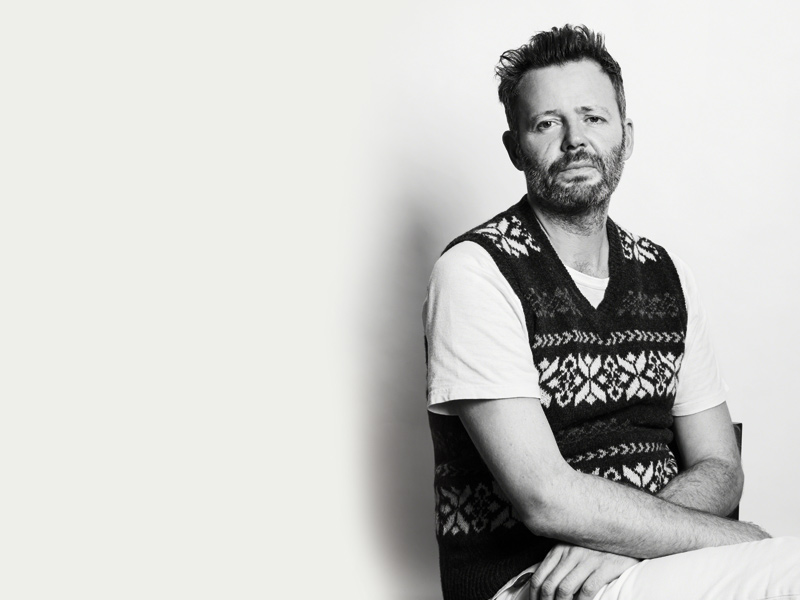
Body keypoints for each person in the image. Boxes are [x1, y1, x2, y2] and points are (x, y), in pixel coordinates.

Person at [423, 24, 800, 600]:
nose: (575, 140)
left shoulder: (667, 276)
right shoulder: (476, 272)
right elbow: (544, 498)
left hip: (650, 565)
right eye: (547, 123)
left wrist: (622, 542)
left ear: (626, 135)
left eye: (593, 118)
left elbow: (721, 466)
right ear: (514, 147)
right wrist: (737, 539)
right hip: (538, 582)